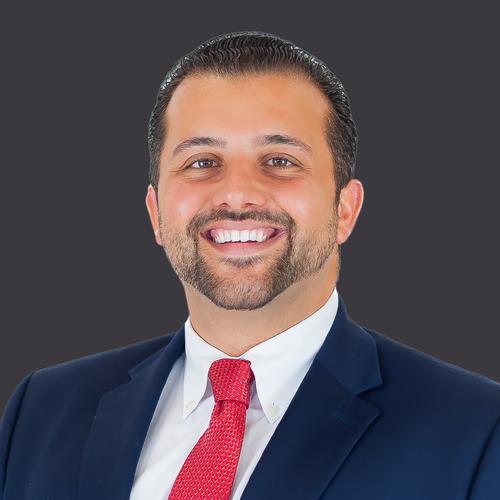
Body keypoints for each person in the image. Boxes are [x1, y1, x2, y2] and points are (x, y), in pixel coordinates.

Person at [1, 30, 499, 500]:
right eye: (201, 162)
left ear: (345, 210)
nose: (237, 194)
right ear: (155, 214)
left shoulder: (475, 430)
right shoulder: (41, 411)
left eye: (280, 160)